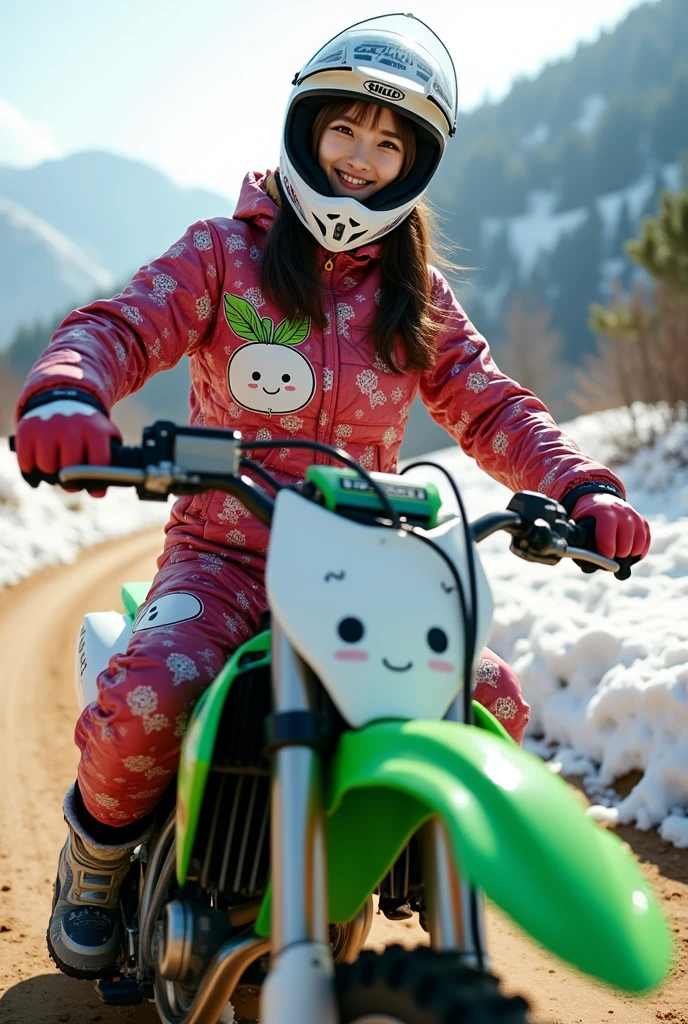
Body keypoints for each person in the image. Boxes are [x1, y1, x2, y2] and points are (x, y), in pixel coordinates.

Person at [14, 14, 650, 979]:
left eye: (389, 142)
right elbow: (120, 323)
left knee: (490, 704)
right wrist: (67, 386)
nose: (360, 158)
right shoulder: (223, 256)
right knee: (149, 693)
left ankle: (390, 857)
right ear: (307, 130)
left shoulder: (417, 295)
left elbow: (492, 407)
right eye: (344, 130)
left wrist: (579, 480)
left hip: (366, 566)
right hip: (224, 556)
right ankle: (97, 859)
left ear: (413, 167)